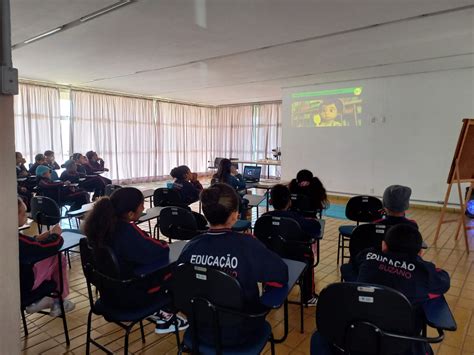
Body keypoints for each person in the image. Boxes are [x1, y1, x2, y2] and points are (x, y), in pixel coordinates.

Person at [177, 183, 288, 346]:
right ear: (235, 215)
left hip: (199, 331)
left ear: (206, 214)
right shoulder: (248, 245)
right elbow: (280, 275)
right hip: (241, 332)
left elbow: (181, 283)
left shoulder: (191, 246)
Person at [83, 187, 187, 334]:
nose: (144, 208)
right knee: (178, 269)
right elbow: (160, 249)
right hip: (132, 298)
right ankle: (167, 314)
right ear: (130, 213)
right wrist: (162, 243)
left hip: (108, 295)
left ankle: (163, 312)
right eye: (141, 205)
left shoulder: (99, 228)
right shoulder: (126, 231)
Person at [263, 184, 321, 305]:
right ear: (289, 202)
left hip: (270, 256)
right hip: (293, 255)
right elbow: (316, 227)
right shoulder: (295, 219)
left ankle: (267, 288)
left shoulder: (263, 219)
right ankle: (308, 296)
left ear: (270, 201)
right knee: (308, 255)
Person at [18, 197, 75, 317]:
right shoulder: (14, 239)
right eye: (23, 213)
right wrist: (55, 235)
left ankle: (52, 300)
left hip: (17, 281)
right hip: (23, 286)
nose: (26, 216)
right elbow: (50, 247)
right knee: (58, 257)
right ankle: (59, 301)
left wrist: (36, 239)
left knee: (50, 262)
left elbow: (29, 246)